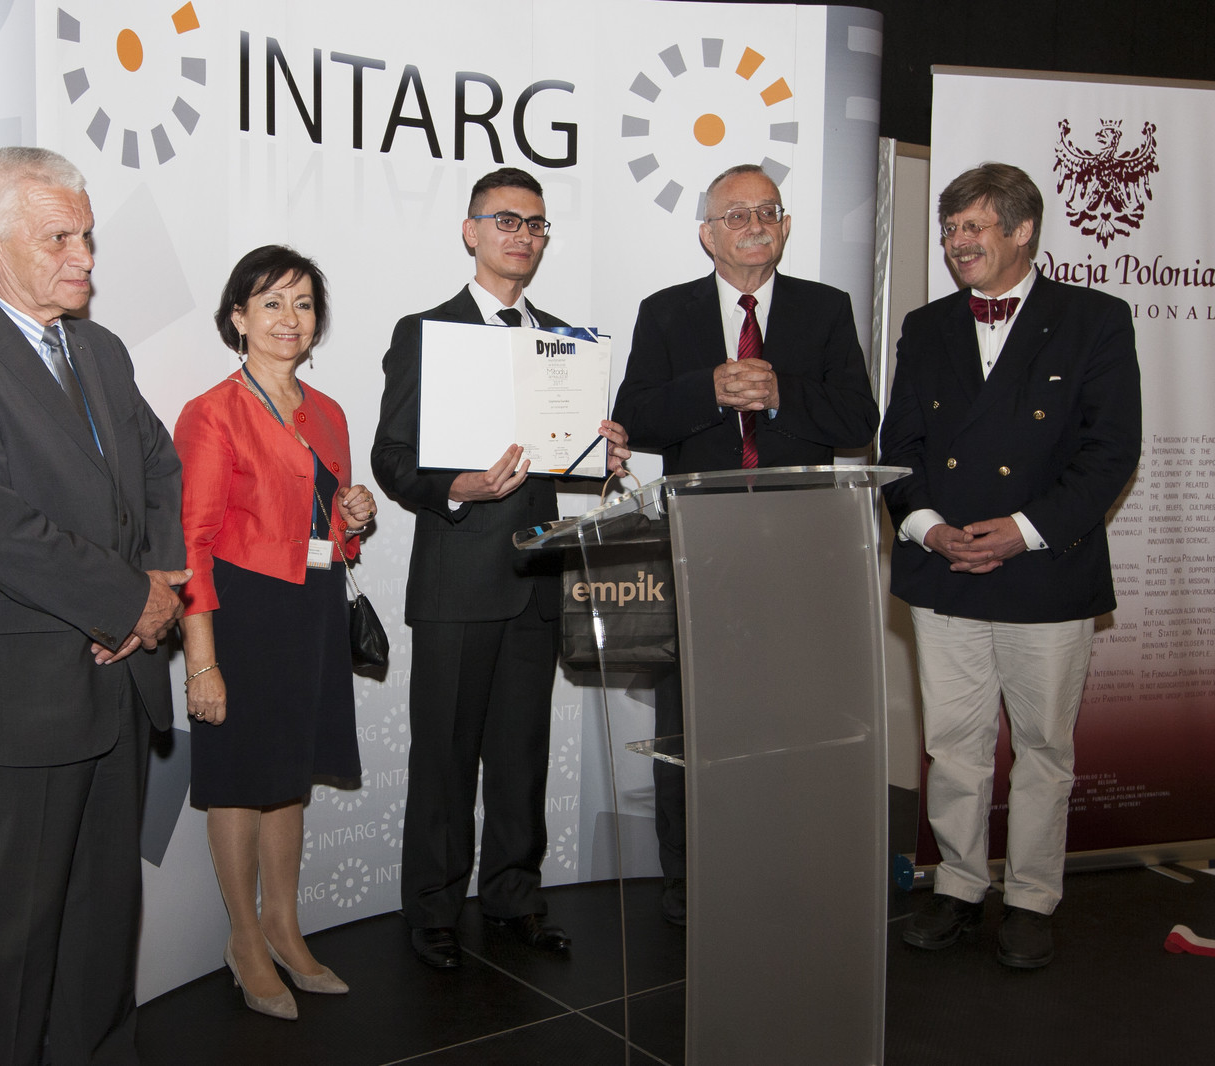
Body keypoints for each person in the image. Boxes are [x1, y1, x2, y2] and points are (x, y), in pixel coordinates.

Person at [0, 146, 187, 1064]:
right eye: (59, 238)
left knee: (104, 929)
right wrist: (131, 603)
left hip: (120, 687)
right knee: (12, 947)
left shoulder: (100, 350)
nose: (85, 258)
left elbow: (158, 467)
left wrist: (159, 583)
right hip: (27, 700)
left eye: (88, 236)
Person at [882, 162, 1141, 968]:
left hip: (1045, 569)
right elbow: (900, 448)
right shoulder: (927, 326)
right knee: (954, 745)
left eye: (974, 227)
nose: (957, 242)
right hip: (946, 568)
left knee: (1042, 748)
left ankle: (1030, 898)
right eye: (950, 228)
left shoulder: (1095, 319)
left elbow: (1110, 451)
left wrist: (1023, 531)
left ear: (1023, 230)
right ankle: (959, 885)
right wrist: (929, 529)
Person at [372, 167, 631, 969]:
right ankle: (434, 910)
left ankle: (515, 897)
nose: (524, 235)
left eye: (536, 224)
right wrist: (459, 487)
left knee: (520, 759)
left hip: (535, 586)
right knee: (444, 759)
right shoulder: (426, 331)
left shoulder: (565, 343)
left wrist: (603, 453)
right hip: (456, 583)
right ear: (471, 231)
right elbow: (392, 457)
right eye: (507, 220)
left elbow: (564, 460)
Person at [611, 162, 879, 925]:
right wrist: (710, 390)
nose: (754, 224)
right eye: (736, 214)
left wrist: (785, 392)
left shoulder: (826, 309)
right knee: (689, 722)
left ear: (786, 227)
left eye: (767, 211)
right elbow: (635, 416)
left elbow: (859, 420)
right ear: (707, 234)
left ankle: (782, 865)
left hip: (801, 552)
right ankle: (689, 876)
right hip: (700, 551)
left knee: (791, 718)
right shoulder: (666, 312)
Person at [175, 246, 376, 1019]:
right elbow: (191, 544)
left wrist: (352, 517)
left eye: (303, 303)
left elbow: (327, 535)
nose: (289, 318)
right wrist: (202, 663)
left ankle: (284, 930)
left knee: (288, 773)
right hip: (240, 614)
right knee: (239, 778)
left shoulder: (328, 412)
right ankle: (244, 941)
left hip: (310, 608)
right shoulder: (211, 413)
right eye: (271, 303)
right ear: (238, 318)